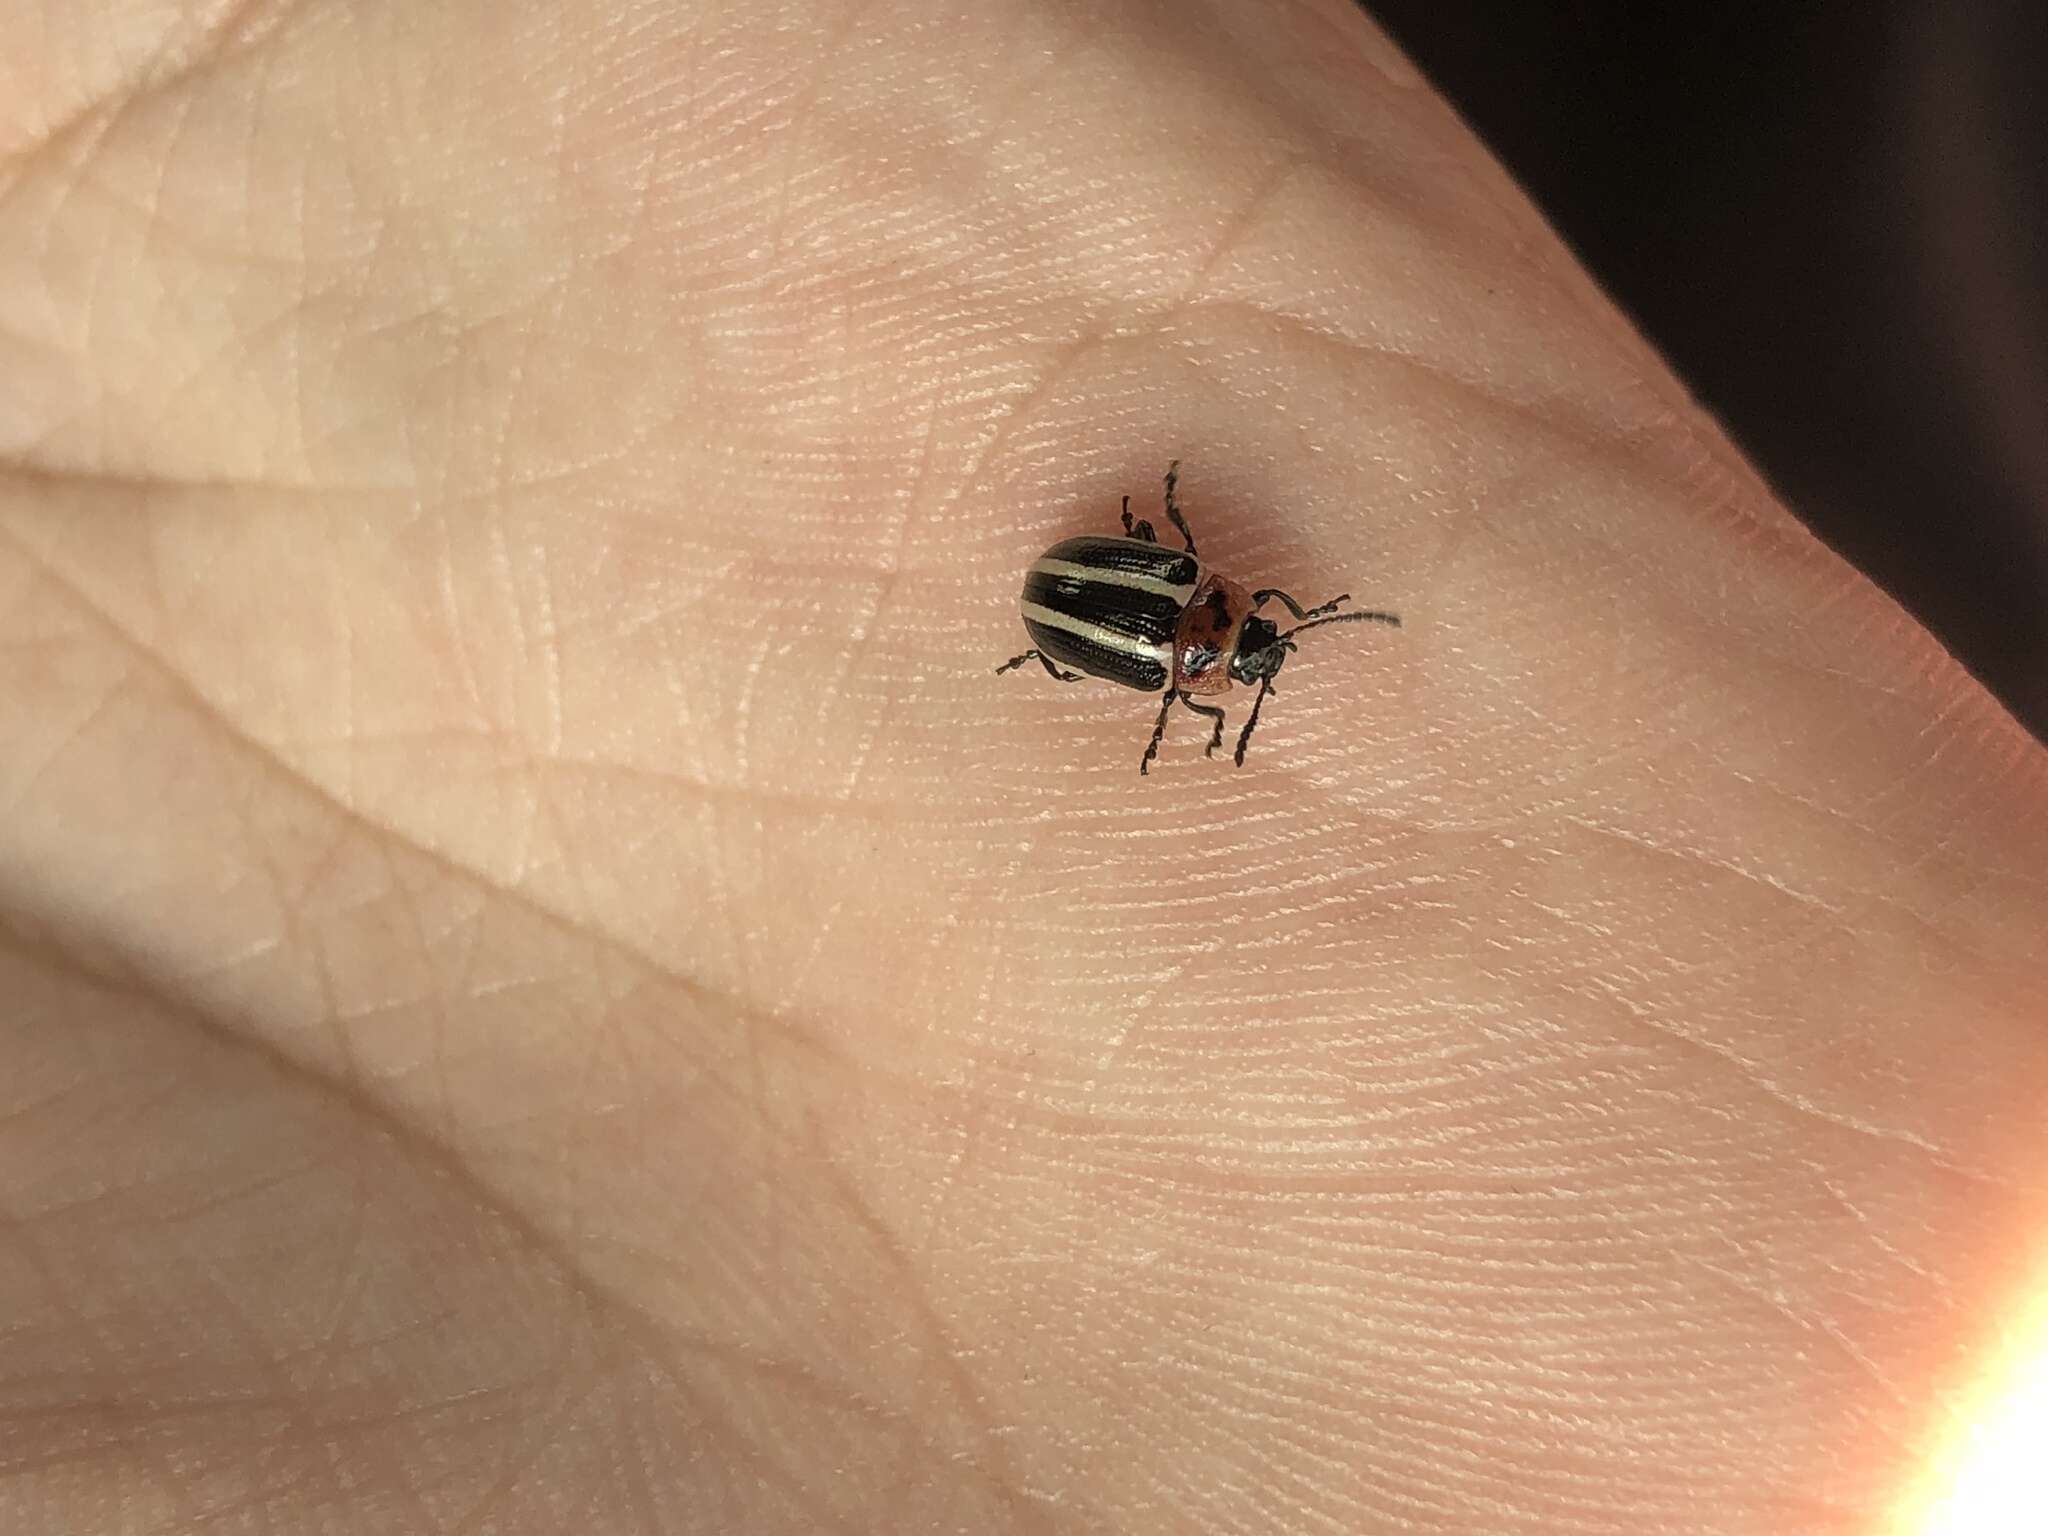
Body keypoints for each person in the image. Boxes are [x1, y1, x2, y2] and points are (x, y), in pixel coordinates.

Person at [2, 2, 2042, 1530]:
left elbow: (1124, 586)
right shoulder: (1178, 619)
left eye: (1237, 630)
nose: (1244, 626)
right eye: (1240, 625)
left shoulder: (1183, 612)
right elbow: (1117, 588)